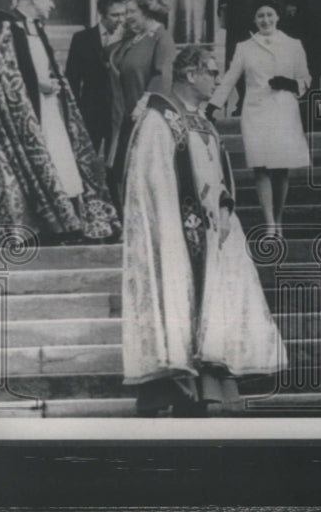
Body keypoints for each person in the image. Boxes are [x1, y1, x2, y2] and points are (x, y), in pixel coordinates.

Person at [121, 46, 288, 417]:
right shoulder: (159, 121)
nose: (217, 79)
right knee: (179, 302)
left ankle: (213, 387)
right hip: (177, 231)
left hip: (215, 231)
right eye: (211, 72)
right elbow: (151, 182)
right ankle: (178, 389)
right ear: (189, 75)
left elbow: (218, 172)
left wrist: (226, 207)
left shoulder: (203, 120)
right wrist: (172, 227)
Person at [0, 0, 119, 246]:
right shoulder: (5, 26)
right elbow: (1, 74)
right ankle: (44, 225)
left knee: (62, 162)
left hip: (49, 108)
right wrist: (38, 84)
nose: (52, 4)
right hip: (23, 118)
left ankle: (67, 222)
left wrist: (51, 83)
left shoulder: (35, 27)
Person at [207, 0, 311, 237]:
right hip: (256, 112)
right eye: (260, 16)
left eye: (269, 15)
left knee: (281, 167)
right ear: (254, 20)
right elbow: (230, 78)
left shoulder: (293, 44)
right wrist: (213, 105)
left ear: (278, 17)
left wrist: (290, 83)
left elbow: (305, 78)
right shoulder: (245, 47)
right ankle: (269, 223)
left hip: (284, 110)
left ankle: (279, 218)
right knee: (261, 167)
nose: (265, 20)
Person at [107, 0, 176, 200]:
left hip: (145, 118)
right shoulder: (134, 38)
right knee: (121, 173)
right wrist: (120, 32)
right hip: (124, 116)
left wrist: (144, 106)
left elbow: (161, 76)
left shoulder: (161, 38)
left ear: (146, 10)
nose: (126, 18)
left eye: (131, 12)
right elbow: (108, 58)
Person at [64, 0, 127, 155]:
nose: (120, 20)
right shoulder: (82, 39)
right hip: (90, 111)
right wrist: (73, 114)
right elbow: (72, 78)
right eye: (115, 15)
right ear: (102, 14)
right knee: (86, 159)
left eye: (123, 14)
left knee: (116, 164)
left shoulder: (130, 40)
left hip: (119, 112)